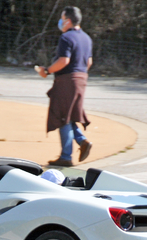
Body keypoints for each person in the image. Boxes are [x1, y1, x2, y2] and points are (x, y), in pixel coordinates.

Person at [37, 6, 93, 167]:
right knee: (69, 116)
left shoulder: (66, 38)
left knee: (63, 117)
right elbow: (89, 62)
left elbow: (64, 61)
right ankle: (82, 141)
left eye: (62, 18)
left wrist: (46, 70)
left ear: (68, 20)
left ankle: (66, 157)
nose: (60, 21)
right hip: (81, 79)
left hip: (67, 81)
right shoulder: (87, 38)